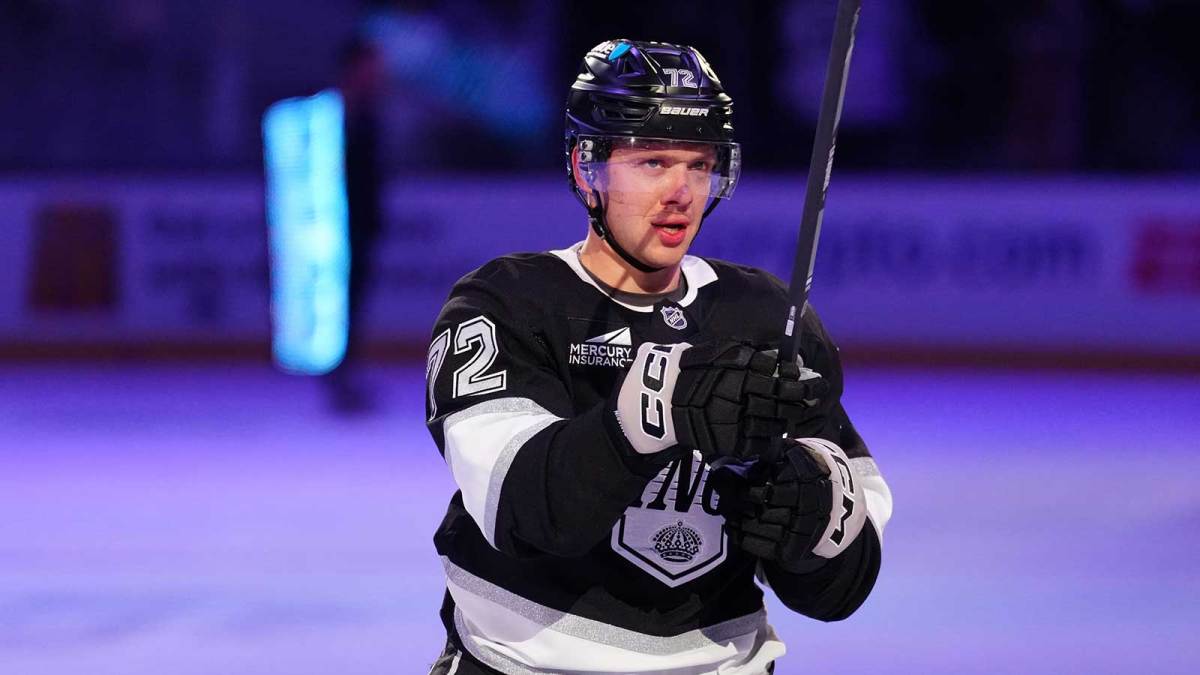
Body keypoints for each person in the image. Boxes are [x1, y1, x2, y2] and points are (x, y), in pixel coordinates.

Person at [424, 39, 893, 674]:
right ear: (587, 166)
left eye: (700, 165)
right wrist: (658, 410)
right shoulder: (509, 305)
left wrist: (812, 522)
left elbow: (843, 586)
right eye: (653, 161)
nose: (682, 191)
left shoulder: (766, 316)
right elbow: (524, 510)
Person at [327, 37, 386, 412]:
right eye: (371, 65)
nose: (377, 74)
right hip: (338, 225)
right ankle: (338, 376)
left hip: (361, 223)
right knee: (340, 303)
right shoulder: (337, 111)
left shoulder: (368, 110)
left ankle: (344, 374)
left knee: (353, 302)